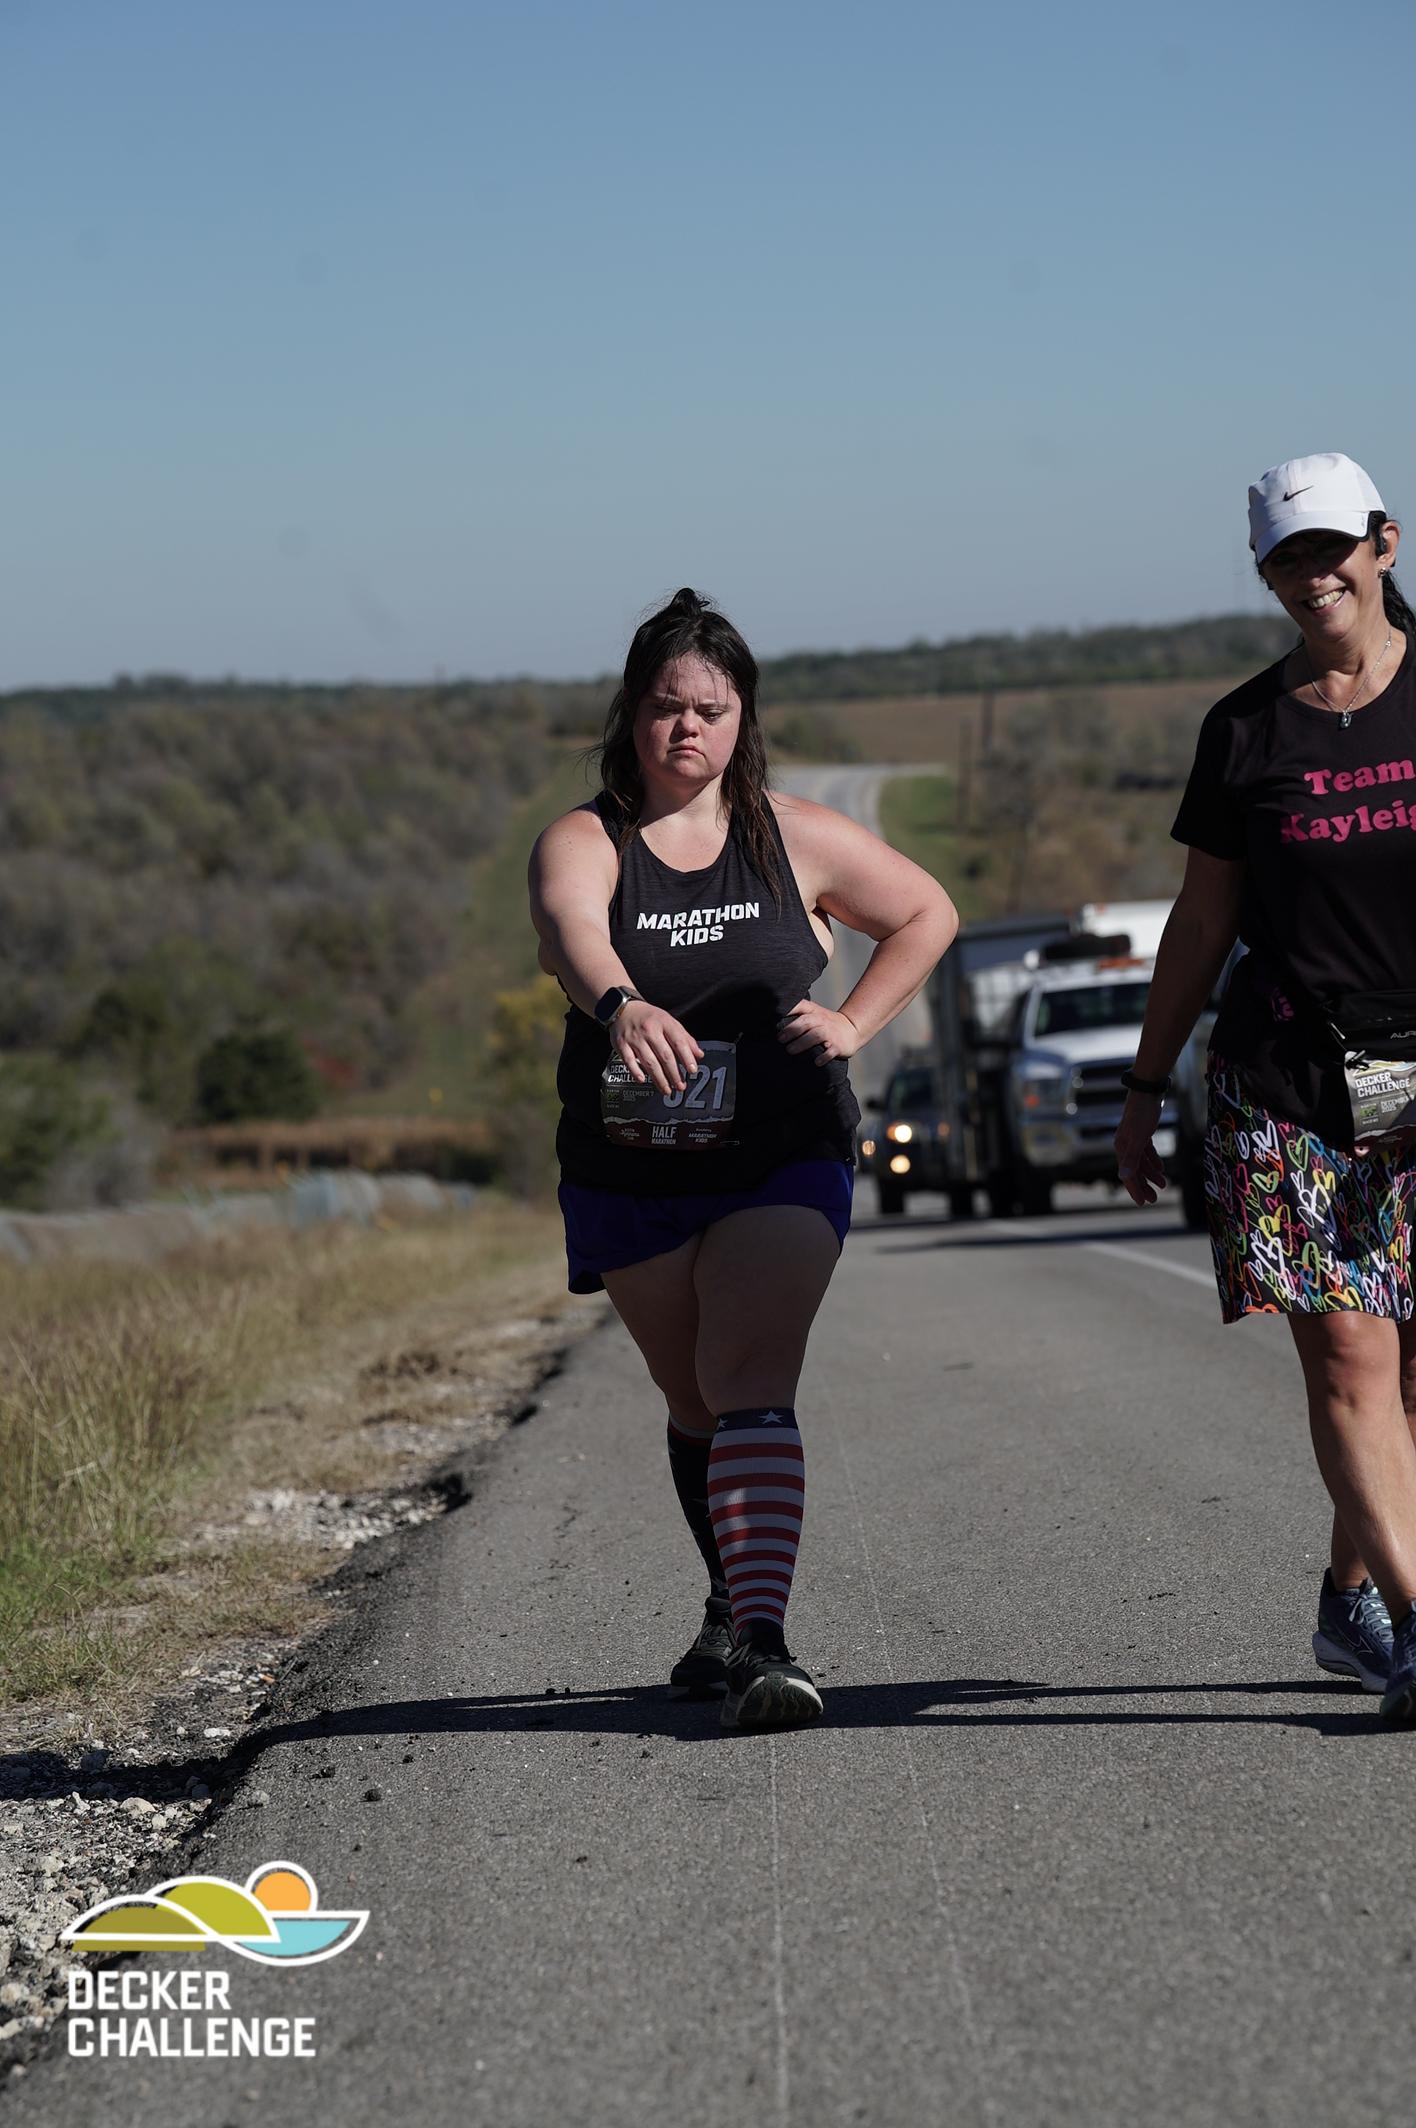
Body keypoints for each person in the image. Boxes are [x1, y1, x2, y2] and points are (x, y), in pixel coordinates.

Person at [529, 587, 957, 1731]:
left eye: (710, 710)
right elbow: (570, 928)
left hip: (782, 1150)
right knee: (694, 1396)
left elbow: (926, 912)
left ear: (742, 718)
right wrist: (619, 1004)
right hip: (630, 1165)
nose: (687, 728)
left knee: (750, 1376)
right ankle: (727, 1597)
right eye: (665, 707)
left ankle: (764, 1641)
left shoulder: (794, 835)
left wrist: (855, 1022)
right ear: (631, 714)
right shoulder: (587, 839)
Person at [1114, 452, 1416, 1724]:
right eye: (1286, 557)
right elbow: (1201, 921)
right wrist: (1145, 1084)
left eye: (1329, 547)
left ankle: (1353, 1594)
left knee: (1410, 1381)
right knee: (1351, 1354)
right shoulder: (1243, 730)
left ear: (1384, 543)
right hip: (1288, 1081)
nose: (1312, 574)